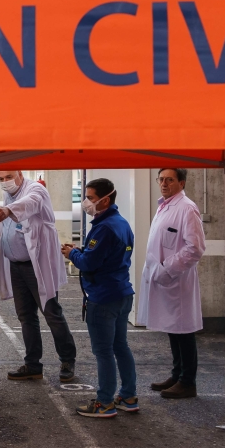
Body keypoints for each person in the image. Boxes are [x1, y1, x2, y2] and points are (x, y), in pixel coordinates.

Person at [62, 178, 137, 418]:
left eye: (91, 198)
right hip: (122, 292)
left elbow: (90, 263)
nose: (86, 203)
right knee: (120, 346)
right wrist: (84, 251)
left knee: (104, 351)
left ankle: (104, 402)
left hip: (103, 296)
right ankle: (128, 395)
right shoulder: (121, 223)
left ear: (105, 199)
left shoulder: (104, 227)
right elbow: (107, 256)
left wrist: (73, 253)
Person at [0, 170, 77, 382]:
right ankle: (32, 364)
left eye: (8, 177)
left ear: (19, 174)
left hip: (36, 266)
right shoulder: (8, 196)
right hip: (17, 267)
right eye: (1, 179)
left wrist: (8, 209)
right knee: (26, 316)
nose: (5, 182)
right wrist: (7, 207)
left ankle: (67, 359)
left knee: (51, 313)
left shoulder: (35, 189)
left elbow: (31, 202)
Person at [137, 168, 206, 399]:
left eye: (170, 180)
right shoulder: (165, 205)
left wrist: (167, 269)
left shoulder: (187, 209)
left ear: (181, 182)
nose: (164, 183)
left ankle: (188, 382)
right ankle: (177, 375)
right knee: (173, 330)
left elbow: (194, 248)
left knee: (183, 330)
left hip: (177, 281)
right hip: (165, 280)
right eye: (161, 179)